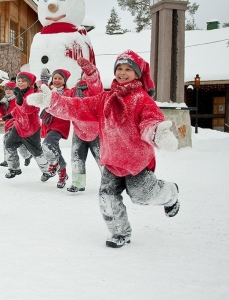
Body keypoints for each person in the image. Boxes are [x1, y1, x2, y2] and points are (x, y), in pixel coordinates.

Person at [27, 50, 180, 248]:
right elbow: (78, 106)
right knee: (107, 198)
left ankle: (171, 193)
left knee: (142, 195)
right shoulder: (105, 99)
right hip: (111, 160)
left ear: (137, 74)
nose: (122, 73)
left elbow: (151, 120)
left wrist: (157, 132)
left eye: (128, 69)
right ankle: (120, 232)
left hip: (136, 161)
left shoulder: (142, 100)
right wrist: (52, 102)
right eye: (119, 69)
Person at [3, 71, 51, 180]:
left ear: (29, 83)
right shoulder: (19, 92)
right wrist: (10, 115)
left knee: (37, 153)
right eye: (18, 81)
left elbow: (28, 110)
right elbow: (18, 110)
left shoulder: (35, 94)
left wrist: (20, 99)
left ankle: (47, 171)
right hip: (19, 126)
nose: (20, 83)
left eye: (23, 81)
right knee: (9, 145)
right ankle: (14, 168)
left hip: (31, 129)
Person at [63, 66, 104, 193]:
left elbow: (98, 91)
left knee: (102, 159)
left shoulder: (96, 90)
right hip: (79, 131)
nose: (86, 76)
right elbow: (64, 100)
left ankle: (110, 184)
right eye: (84, 74)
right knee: (77, 157)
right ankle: (78, 183)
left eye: (89, 75)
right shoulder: (73, 91)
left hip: (96, 132)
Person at [40, 69, 72, 188]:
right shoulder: (49, 91)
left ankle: (53, 165)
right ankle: (62, 174)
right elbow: (40, 94)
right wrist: (43, 82)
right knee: (54, 148)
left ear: (64, 81)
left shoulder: (68, 92)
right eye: (55, 78)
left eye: (60, 78)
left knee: (48, 144)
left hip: (60, 123)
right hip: (49, 123)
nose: (57, 80)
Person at [0, 81, 32, 167]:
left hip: (19, 124)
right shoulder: (3, 102)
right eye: (6, 89)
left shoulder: (18, 99)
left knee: (7, 139)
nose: (8, 91)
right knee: (19, 145)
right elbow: (0, 114)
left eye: (11, 89)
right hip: (9, 125)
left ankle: (10, 160)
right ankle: (27, 156)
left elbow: (24, 110)